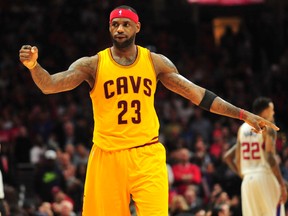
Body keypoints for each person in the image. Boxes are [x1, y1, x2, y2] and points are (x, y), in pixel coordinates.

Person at [19, 5, 279, 216]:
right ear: (109, 28)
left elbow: (199, 95)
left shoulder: (155, 63)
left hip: (147, 154)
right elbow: (50, 85)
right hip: (107, 156)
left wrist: (243, 114)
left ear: (137, 27)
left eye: (125, 24)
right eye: (115, 24)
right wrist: (34, 66)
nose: (119, 29)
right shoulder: (92, 64)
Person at [224, 97, 287, 216]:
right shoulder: (269, 127)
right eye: (271, 109)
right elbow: (269, 157)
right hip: (265, 176)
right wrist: (282, 184)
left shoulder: (242, 128)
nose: (273, 113)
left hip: (248, 181)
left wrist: (244, 175)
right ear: (264, 112)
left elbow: (229, 157)